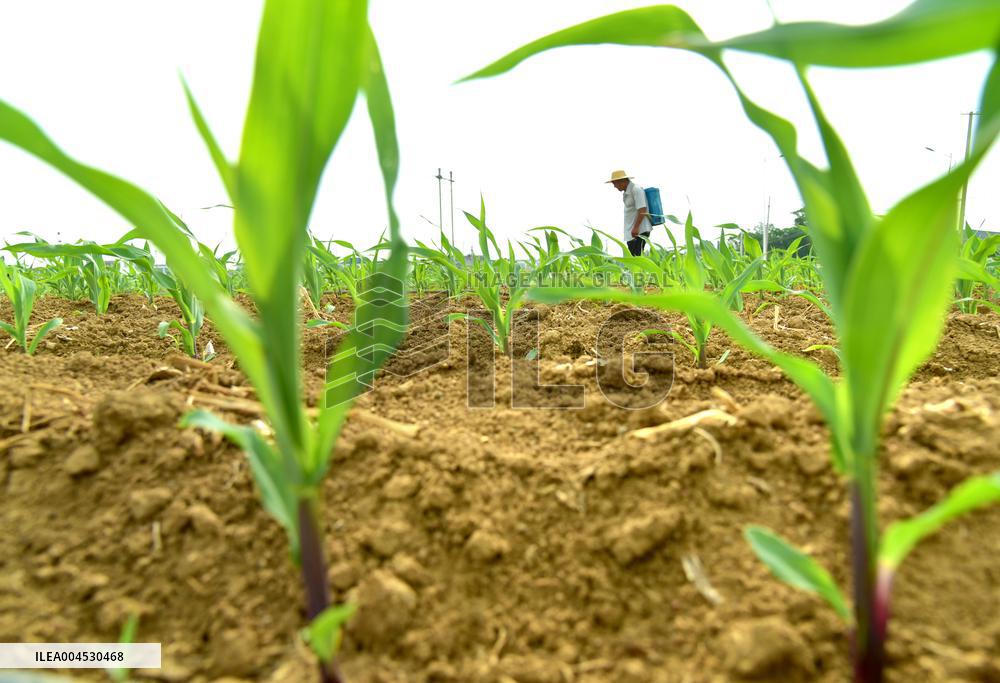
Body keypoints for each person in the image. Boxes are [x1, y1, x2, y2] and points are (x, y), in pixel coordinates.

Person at [606, 170, 651, 256]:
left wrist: (636, 228)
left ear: (622, 181)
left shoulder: (636, 189)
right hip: (632, 232)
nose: (614, 186)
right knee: (632, 259)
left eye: (615, 183)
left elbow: (642, 209)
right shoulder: (626, 193)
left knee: (636, 259)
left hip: (639, 231)